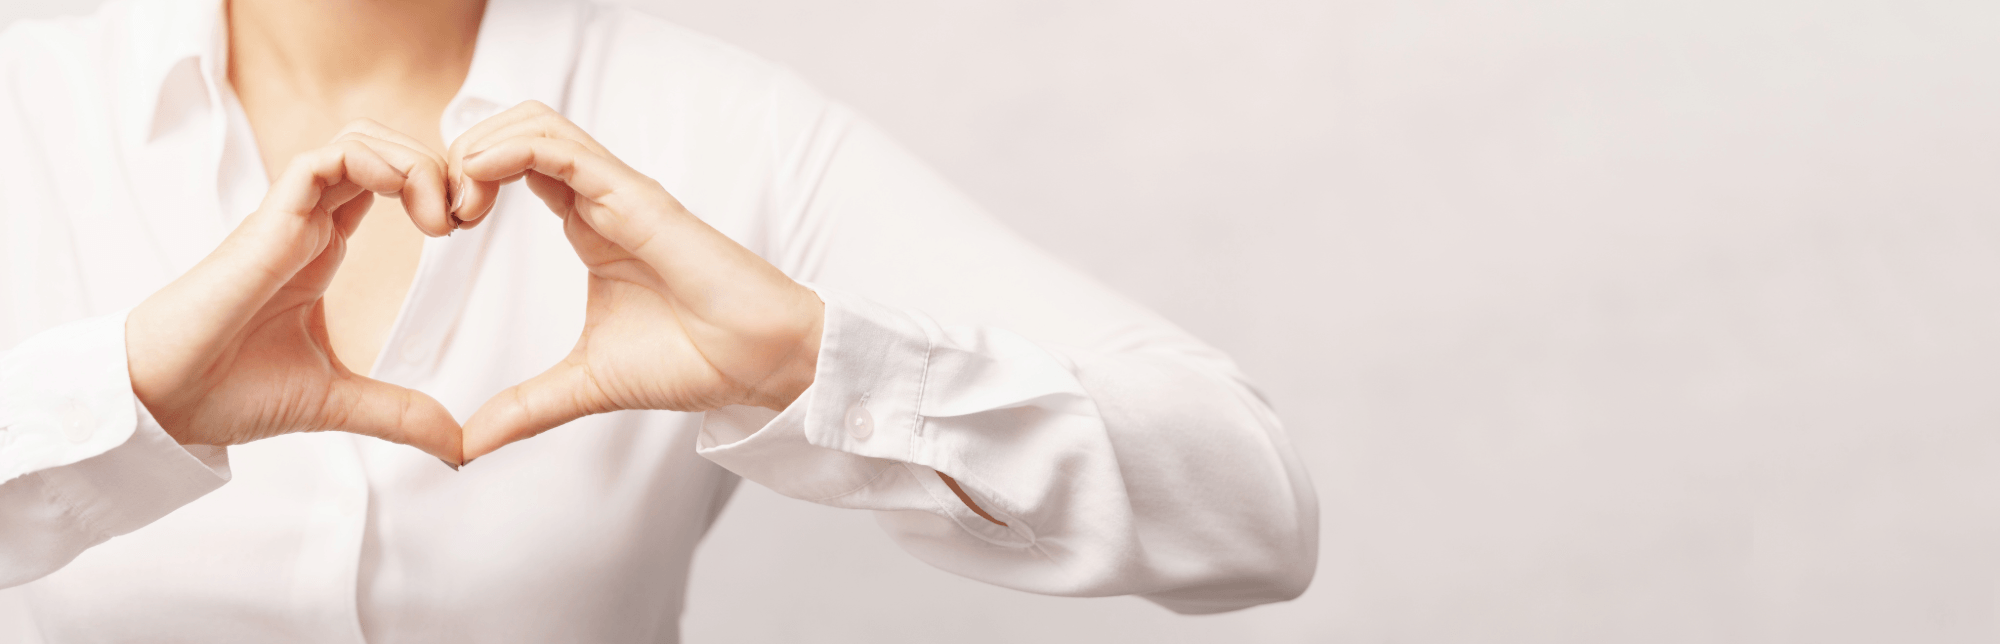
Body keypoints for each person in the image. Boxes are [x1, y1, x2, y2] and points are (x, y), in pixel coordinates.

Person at [0, 0, 1318, 639]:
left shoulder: (727, 133)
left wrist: (815, 365)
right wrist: (121, 401)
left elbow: (1253, 508)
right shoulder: (26, 107)